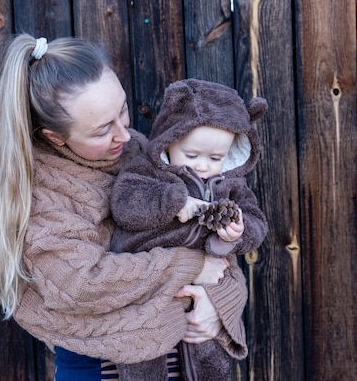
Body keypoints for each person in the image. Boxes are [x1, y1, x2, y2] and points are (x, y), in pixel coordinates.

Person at [0, 33, 246, 380]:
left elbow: (215, 243)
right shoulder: (40, 197)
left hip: (190, 360)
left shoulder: (143, 154)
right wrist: (188, 265)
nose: (125, 134)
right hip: (104, 370)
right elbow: (84, 284)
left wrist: (218, 307)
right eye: (103, 130)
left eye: (123, 110)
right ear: (55, 137)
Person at [110, 79, 268, 381]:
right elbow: (125, 204)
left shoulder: (231, 185)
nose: (205, 167)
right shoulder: (148, 171)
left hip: (206, 290)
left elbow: (256, 222)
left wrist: (238, 232)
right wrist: (172, 201)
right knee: (142, 351)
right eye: (192, 156)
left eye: (216, 158)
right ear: (169, 142)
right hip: (150, 284)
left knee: (209, 354)